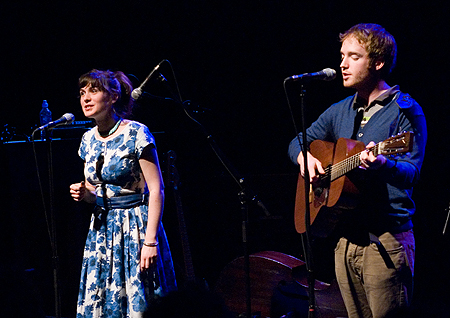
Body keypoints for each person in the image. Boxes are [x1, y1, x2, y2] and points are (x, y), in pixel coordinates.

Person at [288, 24, 427, 318]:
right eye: (342, 55)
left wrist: (383, 163)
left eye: (354, 56)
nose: (342, 64)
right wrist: (304, 159)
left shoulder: (405, 110)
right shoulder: (340, 109)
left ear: (377, 63)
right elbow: (298, 141)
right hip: (344, 238)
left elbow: (411, 173)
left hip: (385, 242)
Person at [69, 69, 177, 317]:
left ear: (113, 96)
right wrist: (84, 194)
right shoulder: (87, 139)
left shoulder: (136, 133)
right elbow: (94, 190)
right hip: (101, 232)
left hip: (134, 227)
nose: (85, 98)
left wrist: (151, 241)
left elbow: (156, 189)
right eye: (82, 93)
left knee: (139, 298)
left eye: (93, 91)